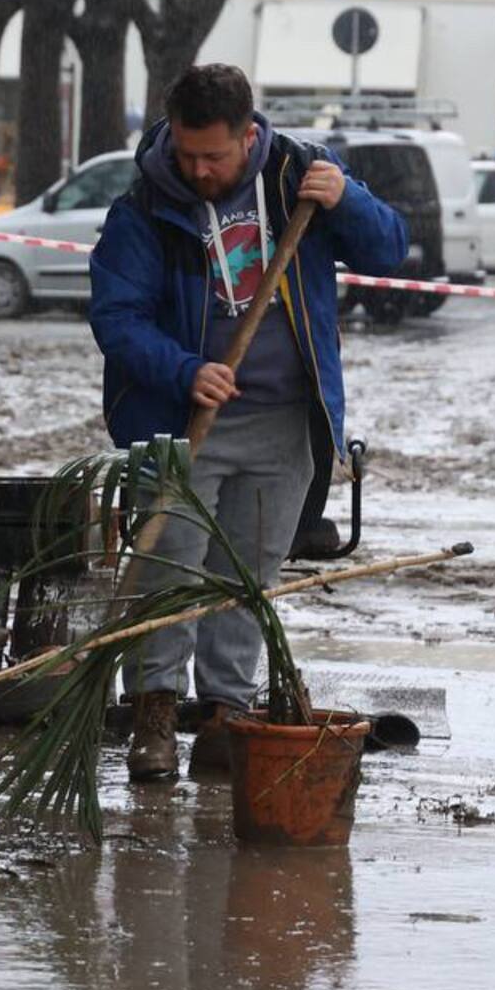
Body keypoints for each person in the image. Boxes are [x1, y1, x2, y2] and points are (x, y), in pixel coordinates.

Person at [88, 64, 409, 784]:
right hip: (179, 423)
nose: (198, 170)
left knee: (245, 577)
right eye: (187, 154)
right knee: (168, 569)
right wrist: (184, 370)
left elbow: (390, 248)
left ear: (248, 136)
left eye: (214, 156)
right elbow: (116, 317)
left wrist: (348, 200)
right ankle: (154, 713)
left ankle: (225, 717)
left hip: (284, 421)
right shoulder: (143, 207)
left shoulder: (299, 179)